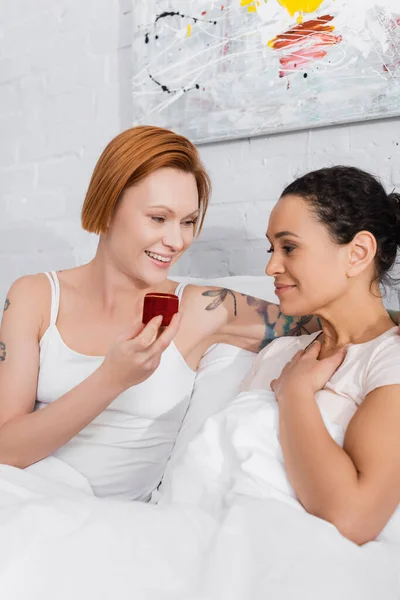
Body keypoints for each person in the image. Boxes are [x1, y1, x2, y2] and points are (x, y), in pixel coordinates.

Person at [0, 126, 316, 502]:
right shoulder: (35, 297)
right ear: (106, 208)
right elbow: (6, 449)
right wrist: (111, 379)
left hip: (111, 522)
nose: (177, 241)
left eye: (186, 222)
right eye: (158, 218)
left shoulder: (206, 308)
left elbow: (343, 321)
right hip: (22, 494)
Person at [237, 165, 400, 544]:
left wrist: (294, 394)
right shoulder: (280, 353)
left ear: (357, 253)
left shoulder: (389, 360)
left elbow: (353, 520)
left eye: (289, 247)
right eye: (271, 248)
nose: (271, 266)